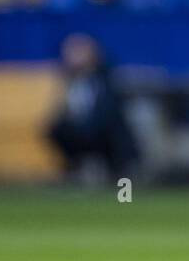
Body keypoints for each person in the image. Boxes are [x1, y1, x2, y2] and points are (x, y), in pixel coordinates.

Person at [44, 33, 139, 181]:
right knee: (57, 129)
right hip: (80, 132)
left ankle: (117, 172)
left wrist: (87, 126)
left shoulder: (106, 76)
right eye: (71, 53)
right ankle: (74, 168)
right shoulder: (67, 79)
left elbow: (109, 111)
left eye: (79, 52)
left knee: (112, 131)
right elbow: (63, 110)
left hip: (104, 132)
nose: (74, 57)